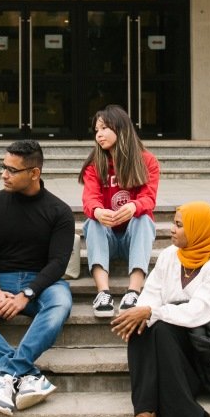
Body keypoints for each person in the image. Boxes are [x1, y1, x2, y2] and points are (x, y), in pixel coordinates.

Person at [107, 201, 210, 417]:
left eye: (180, 225)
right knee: (143, 326)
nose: (172, 229)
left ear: (199, 230)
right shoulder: (170, 255)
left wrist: (151, 313)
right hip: (173, 340)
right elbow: (151, 295)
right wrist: (142, 314)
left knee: (159, 325)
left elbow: (199, 311)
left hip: (208, 344)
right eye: (173, 223)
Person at [0, 139, 76, 416]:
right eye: (2, 167)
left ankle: (4, 374)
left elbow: (58, 263)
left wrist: (28, 294)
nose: (3, 174)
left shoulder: (60, 212)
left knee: (60, 305)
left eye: (11, 170)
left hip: (43, 284)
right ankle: (27, 374)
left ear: (34, 173)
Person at [79, 104, 161, 318]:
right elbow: (90, 198)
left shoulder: (147, 161)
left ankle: (134, 291)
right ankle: (103, 293)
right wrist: (97, 211)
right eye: (96, 130)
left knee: (143, 219)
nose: (99, 134)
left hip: (132, 237)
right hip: (106, 237)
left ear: (120, 128)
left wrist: (134, 206)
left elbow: (148, 198)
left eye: (104, 128)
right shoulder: (94, 165)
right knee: (92, 221)